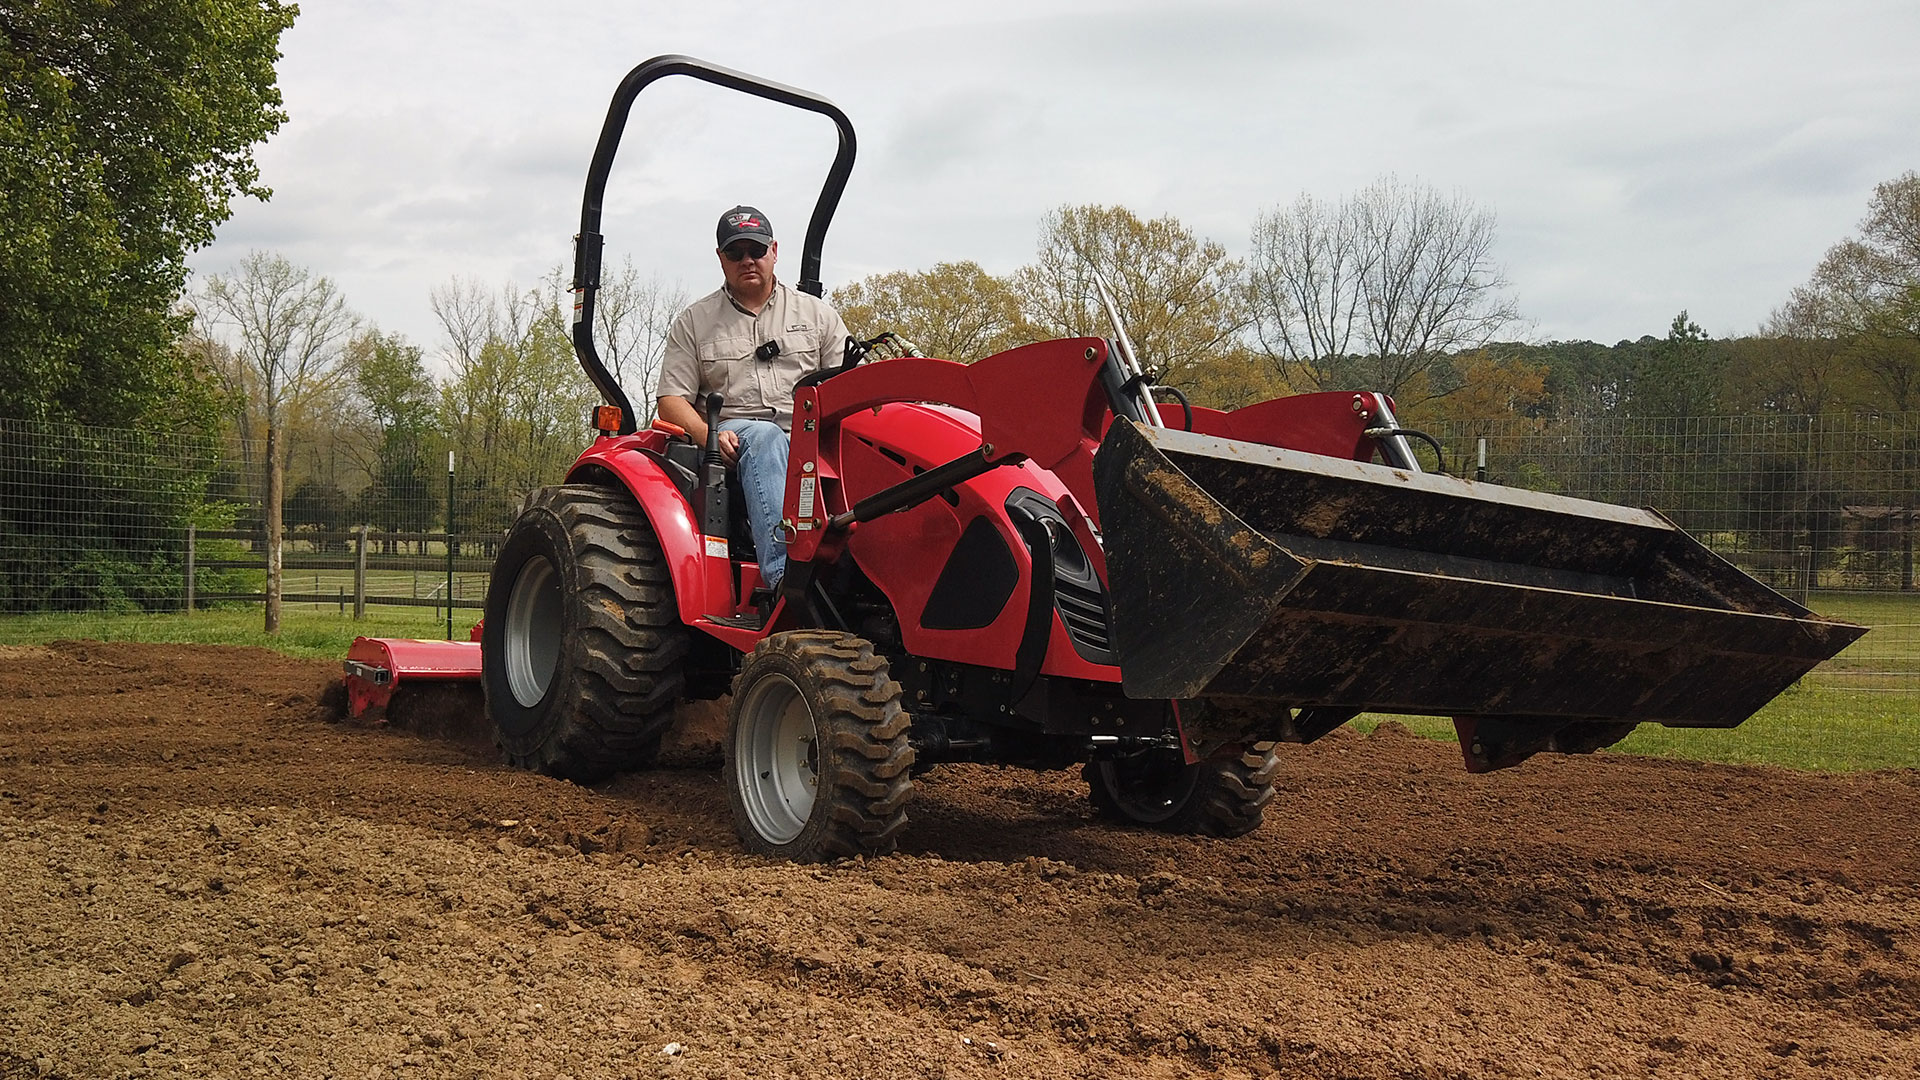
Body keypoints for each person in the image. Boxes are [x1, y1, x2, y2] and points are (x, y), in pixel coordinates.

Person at [656, 206, 849, 594]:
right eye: (735, 253)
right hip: (735, 435)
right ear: (721, 258)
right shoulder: (695, 322)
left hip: (810, 435)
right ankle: (787, 579)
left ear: (774, 250)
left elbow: (850, 385)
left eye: (756, 250)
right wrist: (704, 434)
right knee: (765, 438)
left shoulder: (818, 317)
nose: (748, 260)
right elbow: (671, 400)